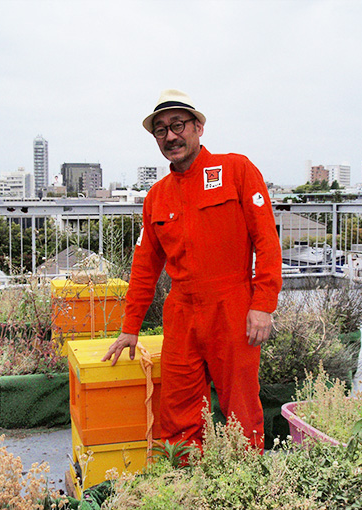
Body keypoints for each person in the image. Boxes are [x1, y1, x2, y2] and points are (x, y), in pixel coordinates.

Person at [102, 89, 282, 449]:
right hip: (182, 312)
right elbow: (144, 267)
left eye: (178, 125)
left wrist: (263, 304)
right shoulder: (156, 196)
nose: (170, 136)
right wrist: (130, 327)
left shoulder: (236, 170)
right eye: (161, 131)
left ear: (198, 127)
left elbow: (267, 242)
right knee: (177, 408)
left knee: (240, 408)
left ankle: (246, 489)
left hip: (231, 306)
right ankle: (186, 482)